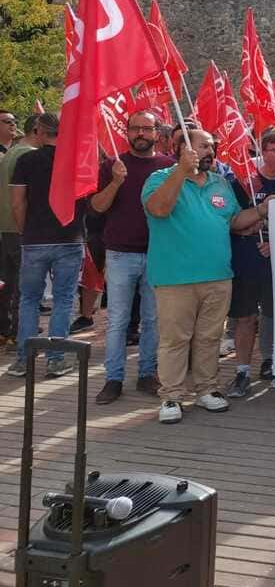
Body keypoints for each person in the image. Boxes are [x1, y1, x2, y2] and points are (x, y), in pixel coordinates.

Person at [143, 129, 268, 424]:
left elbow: (236, 221)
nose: (210, 151)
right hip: (175, 276)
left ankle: (206, 389)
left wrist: (261, 210)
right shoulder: (159, 179)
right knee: (175, 339)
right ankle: (171, 396)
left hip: (217, 275)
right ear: (181, 149)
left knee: (209, 337)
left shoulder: (220, 183)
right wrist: (181, 173)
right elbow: (159, 209)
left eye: (212, 146)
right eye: (203, 146)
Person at [89, 111, 175, 404]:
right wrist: (115, 182)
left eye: (146, 128)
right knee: (117, 321)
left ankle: (147, 374)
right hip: (120, 253)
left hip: (158, 253)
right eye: (135, 128)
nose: (140, 133)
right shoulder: (113, 165)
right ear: (126, 132)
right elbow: (97, 207)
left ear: (157, 133)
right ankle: (113, 379)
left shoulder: (169, 166)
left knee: (153, 319)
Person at [225, 128, 275, 399]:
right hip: (245, 259)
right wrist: (252, 219)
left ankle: (273, 362)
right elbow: (231, 221)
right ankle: (242, 372)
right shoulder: (244, 181)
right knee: (245, 317)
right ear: (264, 151)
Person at [6, 114, 85, 378]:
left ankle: (23, 360)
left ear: (40, 131)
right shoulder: (75, 161)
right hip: (69, 238)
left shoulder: (26, 160)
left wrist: (23, 230)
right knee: (63, 299)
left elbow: (18, 202)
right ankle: (55, 359)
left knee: (28, 299)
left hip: (34, 240)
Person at [0, 114, 43, 348]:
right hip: (20, 227)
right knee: (22, 285)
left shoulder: (14, 151)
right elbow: (24, 197)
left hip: (8, 226)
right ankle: (19, 333)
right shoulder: (27, 154)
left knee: (9, 283)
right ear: (38, 130)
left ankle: (7, 330)